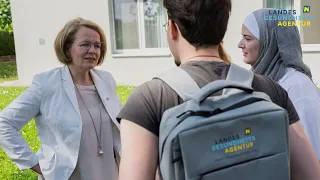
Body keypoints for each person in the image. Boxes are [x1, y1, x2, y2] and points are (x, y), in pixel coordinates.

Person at [117, 1, 320, 180]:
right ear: (223, 27)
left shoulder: (148, 99)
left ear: (172, 28)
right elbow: (310, 175)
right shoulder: (271, 89)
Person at [0, 17, 122, 180]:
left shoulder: (106, 80)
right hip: (66, 175)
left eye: (97, 45)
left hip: (109, 172)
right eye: (85, 44)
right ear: (67, 48)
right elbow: (4, 123)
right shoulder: (46, 84)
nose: (92, 50)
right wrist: (35, 163)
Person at [238, 8, 320, 161]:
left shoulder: (298, 87)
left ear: (269, 42)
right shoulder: (263, 80)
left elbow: (312, 154)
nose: (240, 44)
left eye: (248, 38)